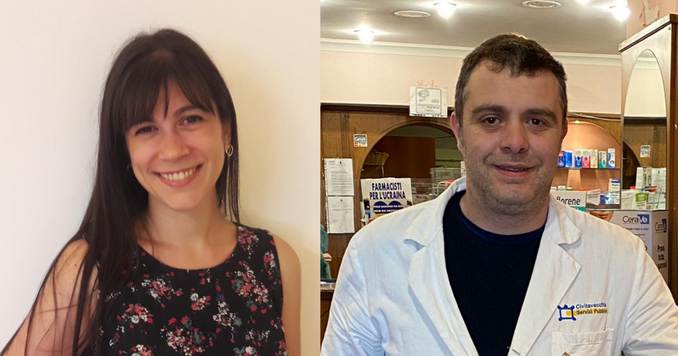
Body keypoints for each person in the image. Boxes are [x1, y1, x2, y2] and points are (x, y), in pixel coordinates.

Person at [321, 33, 678, 355]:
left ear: (561, 133)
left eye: (537, 120)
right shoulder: (376, 253)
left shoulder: (622, 259)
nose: (515, 142)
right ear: (458, 130)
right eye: (491, 119)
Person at [2, 29, 300, 356]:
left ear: (225, 129)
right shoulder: (91, 267)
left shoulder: (275, 262)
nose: (172, 150)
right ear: (125, 149)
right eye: (146, 129)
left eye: (190, 119)